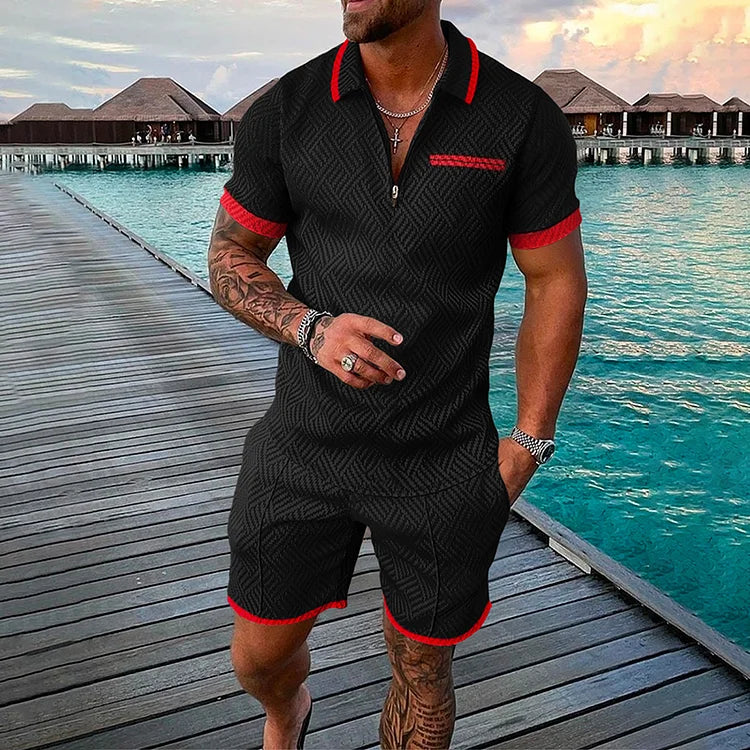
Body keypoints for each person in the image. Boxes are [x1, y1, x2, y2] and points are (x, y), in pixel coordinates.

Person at [208, 1, 586, 747]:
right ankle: (287, 710)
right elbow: (229, 256)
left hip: (441, 456)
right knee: (258, 658)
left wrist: (529, 442)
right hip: (303, 444)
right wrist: (310, 329)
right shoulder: (287, 111)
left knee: (423, 672)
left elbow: (555, 279)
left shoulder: (519, 117)